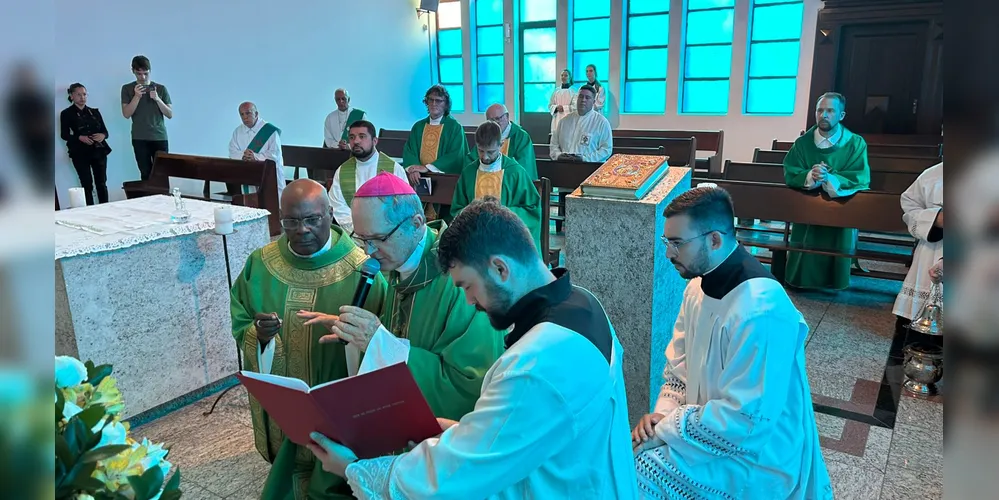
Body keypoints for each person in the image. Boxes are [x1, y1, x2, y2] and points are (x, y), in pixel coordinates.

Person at [306, 198, 638, 499]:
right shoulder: (583, 302)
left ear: (499, 268)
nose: (468, 300)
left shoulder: (536, 364)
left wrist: (354, 469)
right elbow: (532, 431)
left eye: (467, 285)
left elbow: (450, 480)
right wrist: (460, 431)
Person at [632, 187, 832, 499]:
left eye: (677, 243)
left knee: (641, 473)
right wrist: (663, 413)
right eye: (666, 242)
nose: (669, 253)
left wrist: (667, 429)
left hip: (756, 454)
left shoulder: (761, 309)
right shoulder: (697, 288)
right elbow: (678, 371)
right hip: (706, 432)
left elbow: (746, 417)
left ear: (714, 239)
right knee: (628, 460)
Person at [300, 172, 503, 421]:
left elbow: (469, 385)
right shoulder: (400, 265)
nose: (369, 252)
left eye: (378, 239)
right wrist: (356, 333)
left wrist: (380, 343)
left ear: (417, 223)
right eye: (362, 239)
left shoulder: (462, 280)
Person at [230, 179, 387, 500]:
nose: (301, 230)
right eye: (291, 221)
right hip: (286, 406)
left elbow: (385, 336)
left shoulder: (362, 269)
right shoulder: (260, 264)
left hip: (339, 405)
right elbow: (241, 318)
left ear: (330, 215)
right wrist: (258, 337)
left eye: (312, 219)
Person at [782, 92, 870, 290]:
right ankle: (801, 281)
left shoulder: (855, 144)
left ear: (841, 115)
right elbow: (791, 170)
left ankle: (834, 282)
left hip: (841, 209)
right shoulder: (802, 143)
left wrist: (830, 178)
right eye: (820, 110)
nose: (824, 115)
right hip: (806, 210)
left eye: (830, 111)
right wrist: (810, 176)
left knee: (838, 242)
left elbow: (860, 176)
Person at [451, 121, 542, 253]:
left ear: (501, 145)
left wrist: (501, 214)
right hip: (475, 239)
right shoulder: (469, 173)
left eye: (491, 152)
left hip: (508, 238)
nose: (485, 157)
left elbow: (532, 209)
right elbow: (457, 209)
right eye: (480, 151)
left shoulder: (515, 172)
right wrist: (473, 216)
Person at [328, 120, 407, 233]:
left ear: (374, 141)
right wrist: (358, 229)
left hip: (387, 234)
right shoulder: (342, 171)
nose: (356, 141)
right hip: (354, 235)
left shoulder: (393, 169)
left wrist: (381, 229)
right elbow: (337, 205)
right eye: (352, 137)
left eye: (362, 136)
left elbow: (404, 203)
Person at [892, 162, 943, 340]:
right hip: (930, 253)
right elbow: (909, 206)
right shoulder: (933, 174)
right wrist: (935, 219)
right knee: (919, 338)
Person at [402, 84, 469, 181]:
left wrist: (428, 168)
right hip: (418, 176)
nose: (434, 103)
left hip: (444, 178)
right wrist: (414, 168)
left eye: (438, 100)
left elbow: (456, 155)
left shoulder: (454, 127)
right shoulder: (418, 127)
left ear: (446, 104)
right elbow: (410, 151)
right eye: (430, 99)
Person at [121, 55, 172, 181]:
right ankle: (149, 199)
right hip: (140, 137)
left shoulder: (161, 88)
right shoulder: (127, 89)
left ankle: (164, 199)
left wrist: (157, 99)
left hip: (159, 136)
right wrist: (137, 96)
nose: (142, 77)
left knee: (162, 173)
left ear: (150, 71)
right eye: (139, 74)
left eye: (145, 73)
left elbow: (169, 114)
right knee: (145, 174)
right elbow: (126, 114)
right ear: (133, 71)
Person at [60, 83, 111, 205]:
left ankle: (106, 206)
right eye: (78, 95)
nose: (82, 97)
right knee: (86, 183)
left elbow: (105, 131)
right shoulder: (66, 113)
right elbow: (64, 135)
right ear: (71, 96)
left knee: (101, 182)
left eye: (84, 94)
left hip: (98, 150)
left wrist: (102, 136)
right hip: (80, 152)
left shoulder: (94, 112)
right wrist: (79, 137)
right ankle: (89, 209)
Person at [226, 102, 287, 202]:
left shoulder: (270, 131)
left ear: (256, 113)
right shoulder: (237, 132)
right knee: (251, 204)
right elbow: (232, 151)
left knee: (272, 203)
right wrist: (244, 156)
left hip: (268, 174)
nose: (245, 117)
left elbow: (274, 154)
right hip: (248, 173)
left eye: (248, 113)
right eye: (242, 114)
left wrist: (255, 157)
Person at [468, 103, 537, 180]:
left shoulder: (521, 137)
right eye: (491, 120)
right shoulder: (486, 135)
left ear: (507, 117)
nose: (495, 123)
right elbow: (471, 159)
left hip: (510, 182)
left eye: (498, 118)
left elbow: (524, 165)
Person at [549, 84, 613, 163]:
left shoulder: (602, 123)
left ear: (593, 102)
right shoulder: (564, 121)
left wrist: (585, 159)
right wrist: (558, 155)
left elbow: (606, 150)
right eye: (581, 96)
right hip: (564, 166)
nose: (583, 100)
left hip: (590, 168)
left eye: (587, 97)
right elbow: (554, 144)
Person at [548, 69, 576, 138]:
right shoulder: (556, 91)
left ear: (570, 77)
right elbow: (550, 104)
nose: (563, 77)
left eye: (566, 75)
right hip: (557, 119)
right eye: (562, 75)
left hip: (569, 119)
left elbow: (575, 106)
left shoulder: (574, 91)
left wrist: (564, 108)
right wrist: (556, 107)